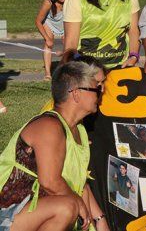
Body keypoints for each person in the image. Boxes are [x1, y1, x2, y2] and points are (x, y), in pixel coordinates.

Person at [0, 59, 109, 231]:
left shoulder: (78, 130)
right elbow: (50, 182)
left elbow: (79, 183)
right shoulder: (49, 126)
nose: (101, 91)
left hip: (34, 212)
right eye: (96, 88)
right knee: (66, 207)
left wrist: (99, 219)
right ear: (76, 94)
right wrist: (79, 204)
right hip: (7, 212)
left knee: (69, 204)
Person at [35, 0, 68, 80]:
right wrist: (47, 38)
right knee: (49, 43)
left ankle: (65, 70)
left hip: (63, 22)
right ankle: (48, 74)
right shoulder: (48, 2)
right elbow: (38, 21)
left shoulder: (69, 0)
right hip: (49, 22)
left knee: (68, 44)